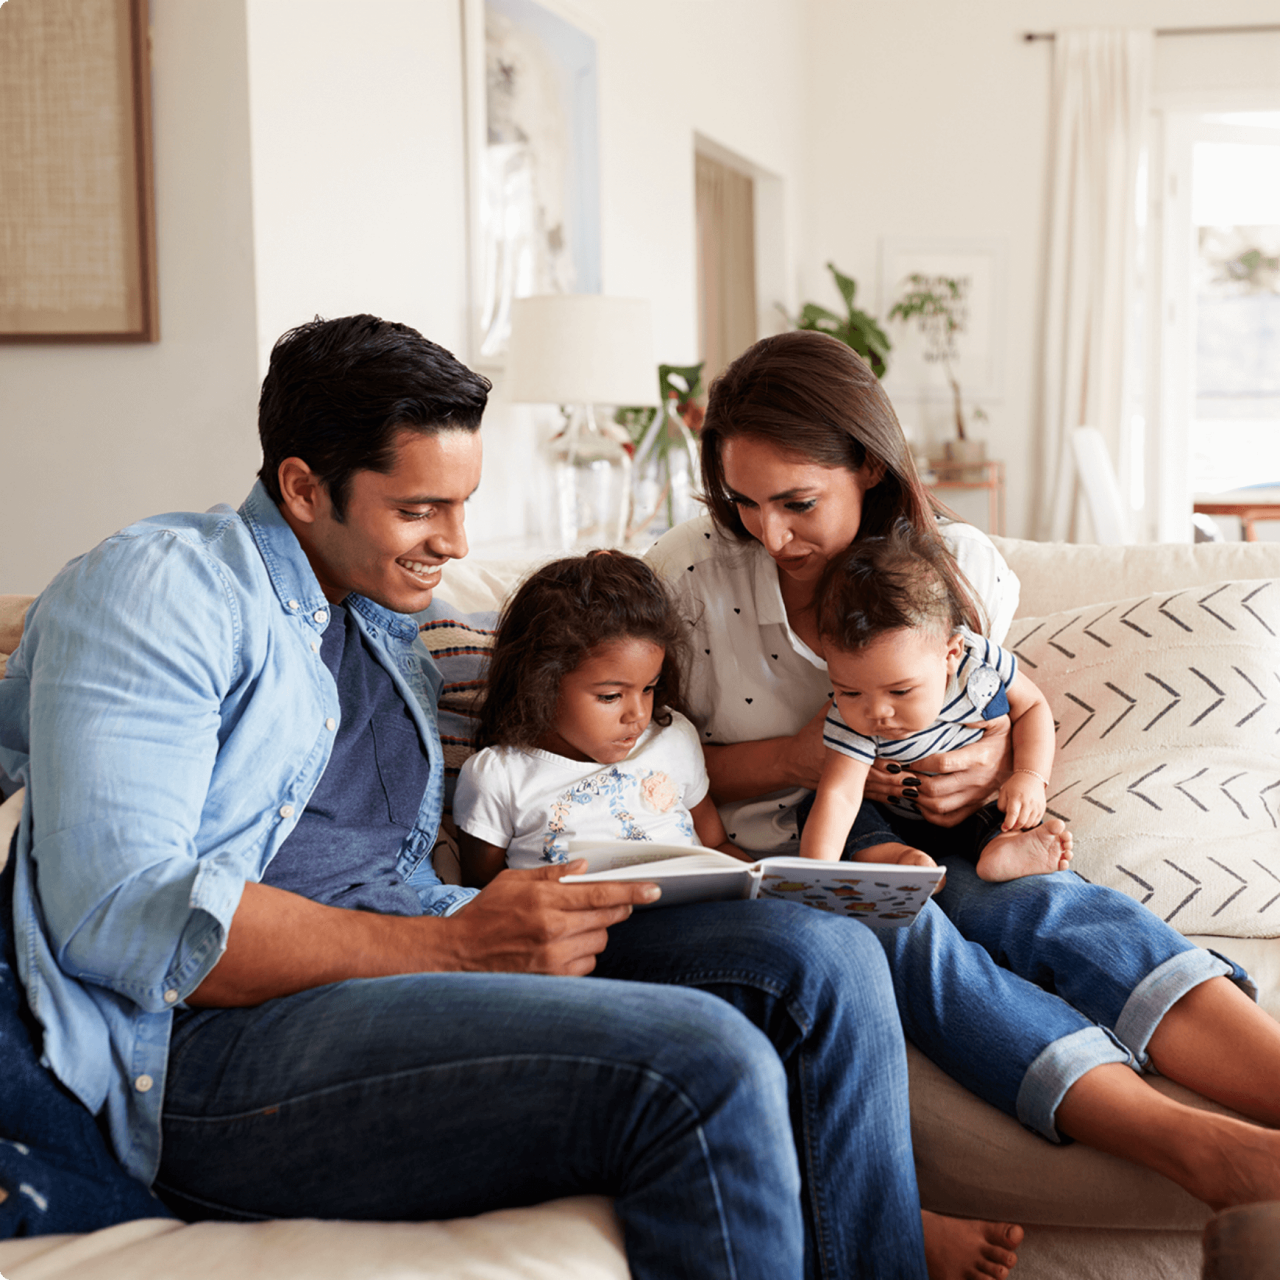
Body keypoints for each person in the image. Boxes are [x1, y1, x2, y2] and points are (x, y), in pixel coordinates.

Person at [0, 315, 1024, 1280]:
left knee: (822, 953)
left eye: (463, 505)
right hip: (217, 1046)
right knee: (700, 1063)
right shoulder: (160, 590)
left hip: (420, 952)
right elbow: (121, 911)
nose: (453, 541)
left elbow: (562, 692)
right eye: (419, 508)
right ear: (306, 488)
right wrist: (452, 945)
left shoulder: (394, 625)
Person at [647, 328, 1280, 1213]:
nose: (769, 533)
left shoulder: (958, 565)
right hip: (799, 854)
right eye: (744, 503)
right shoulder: (687, 578)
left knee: (1049, 906)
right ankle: (1195, 1146)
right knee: (899, 932)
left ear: (867, 466)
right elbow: (640, 765)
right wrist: (810, 756)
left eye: (795, 502)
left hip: (935, 824)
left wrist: (984, 771)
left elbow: (987, 708)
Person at [799, 521, 1073, 883]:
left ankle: (1002, 850)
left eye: (900, 691)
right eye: (850, 692)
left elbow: (1032, 707)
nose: (877, 712)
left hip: (974, 808)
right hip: (895, 821)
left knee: (1007, 810)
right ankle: (891, 855)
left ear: (951, 654)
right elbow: (840, 796)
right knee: (819, 808)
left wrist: (1030, 776)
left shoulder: (975, 668)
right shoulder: (849, 718)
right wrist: (814, 881)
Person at [455, 552, 740, 886]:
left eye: (649, 688)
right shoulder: (498, 777)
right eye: (610, 696)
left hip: (699, 912)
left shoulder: (672, 736)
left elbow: (716, 844)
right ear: (541, 684)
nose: (638, 715)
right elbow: (484, 895)